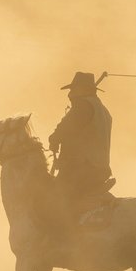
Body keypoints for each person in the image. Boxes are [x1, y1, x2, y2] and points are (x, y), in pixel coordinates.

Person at [48, 71, 115, 223]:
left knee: (51, 202)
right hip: (98, 168)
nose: (70, 94)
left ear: (83, 89)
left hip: (81, 168)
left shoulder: (83, 106)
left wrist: (54, 139)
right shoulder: (101, 109)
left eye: (73, 89)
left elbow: (65, 128)